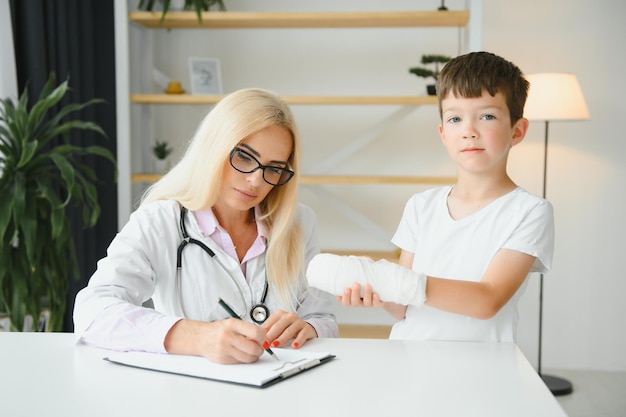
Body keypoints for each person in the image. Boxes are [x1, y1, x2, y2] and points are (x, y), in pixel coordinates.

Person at [74, 88, 338, 363]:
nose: (256, 181)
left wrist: (308, 328)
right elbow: (92, 312)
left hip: (279, 387)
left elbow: (324, 320)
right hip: (192, 397)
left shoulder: (299, 223)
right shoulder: (159, 222)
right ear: (215, 147)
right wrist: (197, 337)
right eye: (245, 157)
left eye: (273, 169)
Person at [306, 51, 554, 342]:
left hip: (483, 370)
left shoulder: (529, 211)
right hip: (410, 361)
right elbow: (404, 308)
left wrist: (395, 281)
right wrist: (379, 291)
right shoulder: (421, 206)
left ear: (517, 130)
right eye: (455, 119)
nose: (468, 131)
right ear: (442, 132)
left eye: (487, 116)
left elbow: (487, 300)